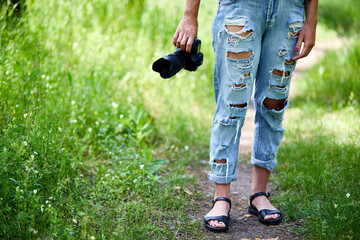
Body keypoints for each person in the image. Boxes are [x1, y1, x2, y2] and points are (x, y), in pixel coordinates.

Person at [173, 0, 318, 232]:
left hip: (290, 10)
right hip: (241, 7)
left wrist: (312, 20)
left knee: (274, 104)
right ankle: (221, 197)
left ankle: (259, 193)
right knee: (232, 103)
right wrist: (190, 15)